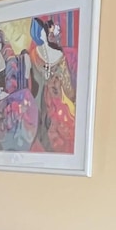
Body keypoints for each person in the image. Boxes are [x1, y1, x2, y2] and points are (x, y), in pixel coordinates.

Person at [29, 17, 77, 153]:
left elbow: (68, 87)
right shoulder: (34, 55)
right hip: (43, 106)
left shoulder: (59, 56)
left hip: (57, 105)